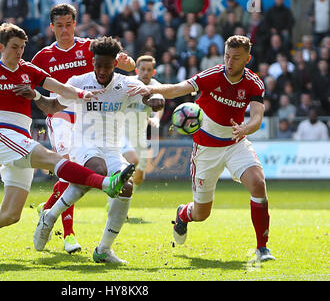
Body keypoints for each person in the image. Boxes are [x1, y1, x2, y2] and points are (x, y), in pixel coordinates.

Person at [0, 23, 134, 262]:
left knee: (10, 214)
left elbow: (59, 88)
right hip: (3, 134)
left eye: (22, 47)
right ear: (0, 47)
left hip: (22, 138)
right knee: (53, 159)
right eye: (14, 47)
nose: (19, 52)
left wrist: (81, 94)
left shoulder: (28, 69)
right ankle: (106, 183)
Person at [128, 35, 276, 262]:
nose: (229, 62)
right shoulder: (212, 75)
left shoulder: (254, 83)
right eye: (227, 56)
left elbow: (257, 118)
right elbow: (178, 88)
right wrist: (149, 91)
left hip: (235, 143)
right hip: (206, 149)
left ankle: (262, 248)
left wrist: (246, 128)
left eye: (236, 58)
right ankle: (182, 214)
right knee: (201, 213)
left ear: (247, 58)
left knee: (258, 184)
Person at [16, 36, 163, 263]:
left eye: (106, 66)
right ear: (92, 62)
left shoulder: (126, 84)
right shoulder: (79, 81)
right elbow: (52, 106)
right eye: (97, 65)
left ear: (115, 64)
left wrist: (155, 101)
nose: (101, 71)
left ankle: (101, 247)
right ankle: (51, 216)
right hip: (84, 144)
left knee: (126, 187)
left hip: (113, 149)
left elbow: (149, 96)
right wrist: (35, 95)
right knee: (99, 169)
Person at [30, 3, 136, 254]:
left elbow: (125, 66)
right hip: (61, 113)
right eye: (59, 26)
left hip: (91, 116)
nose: (65, 30)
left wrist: (127, 62)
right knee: (71, 169)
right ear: (52, 27)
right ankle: (68, 234)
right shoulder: (42, 57)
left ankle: (50, 213)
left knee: (78, 174)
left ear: (75, 24)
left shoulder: (89, 47)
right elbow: (28, 81)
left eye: (69, 25)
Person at [121, 55, 165, 187]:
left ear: (154, 72)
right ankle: (116, 197)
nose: (145, 72)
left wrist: (156, 118)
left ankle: (123, 193)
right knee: (127, 164)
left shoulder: (157, 87)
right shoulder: (126, 83)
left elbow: (160, 104)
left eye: (149, 69)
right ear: (136, 70)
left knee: (139, 177)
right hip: (121, 131)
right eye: (143, 69)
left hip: (140, 133)